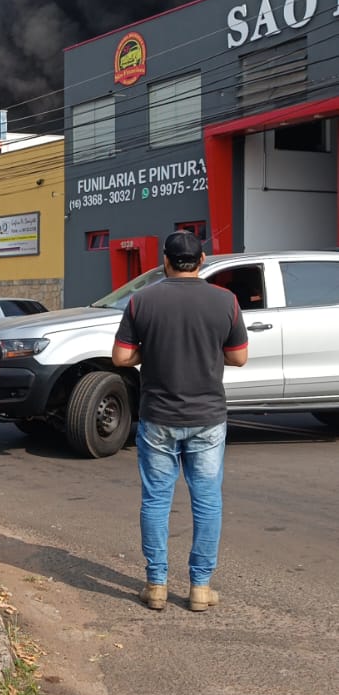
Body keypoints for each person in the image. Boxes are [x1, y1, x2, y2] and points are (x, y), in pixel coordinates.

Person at [111, 230, 248, 612]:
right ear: (201, 260)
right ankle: (200, 589)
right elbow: (238, 358)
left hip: (158, 416)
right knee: (207, 501)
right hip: (207, 417)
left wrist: (149, 353)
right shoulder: (226, 301)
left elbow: (121, 358)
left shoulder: (142, 301)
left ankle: (156, 585)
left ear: (166, 262)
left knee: (156, 499)